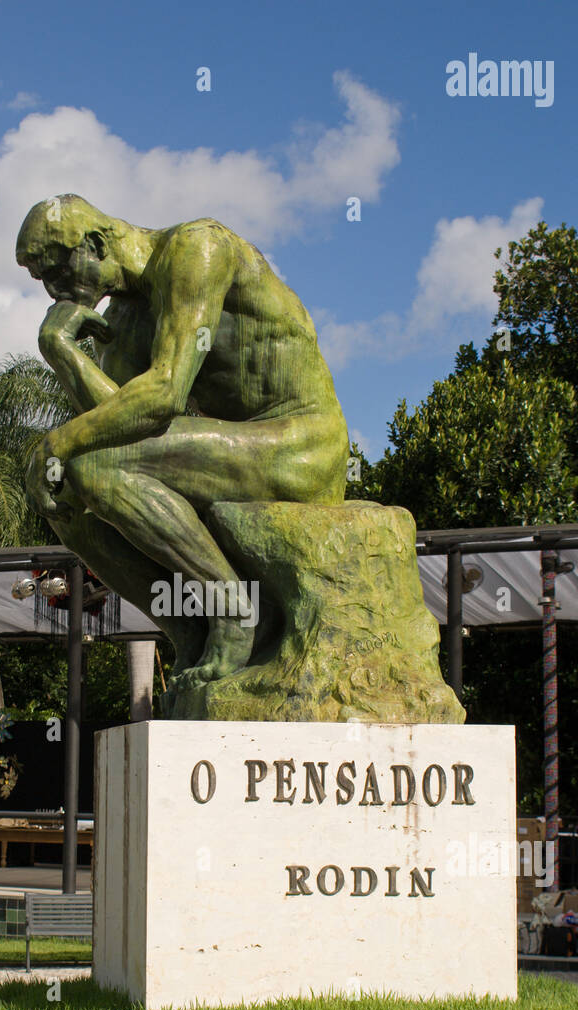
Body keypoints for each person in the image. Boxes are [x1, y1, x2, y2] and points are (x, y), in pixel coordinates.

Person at [18, 195, 350, 691]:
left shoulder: (196, 249)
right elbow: (120, 419)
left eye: (58, 272)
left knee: (84, 465)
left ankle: (233, 610)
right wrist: (61, 350)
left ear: (94, 244)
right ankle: (190, 630)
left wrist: (56, 444)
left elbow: (164, 395)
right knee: (64, 493)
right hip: (242, 449)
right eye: (42, 280)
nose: (53, 291)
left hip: (300, 443)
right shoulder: (127, 316)